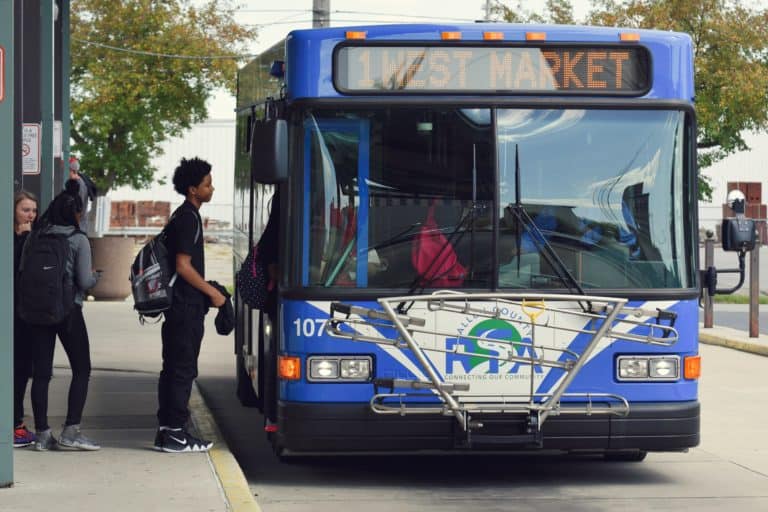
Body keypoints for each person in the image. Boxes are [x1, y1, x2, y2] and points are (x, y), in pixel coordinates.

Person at [154, 157, 225, 453]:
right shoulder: (188, 218)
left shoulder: (181, 216)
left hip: (178, 307)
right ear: (193, 189)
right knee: (182, 370)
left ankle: (167, 431)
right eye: (207, 184)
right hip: (185, 308)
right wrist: (213, 292)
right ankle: (175, 433)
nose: (212, 188)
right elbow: (183, 266)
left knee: (172, 369)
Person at [25, 180, 100, 451]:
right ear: (76, 214)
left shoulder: (36, 235)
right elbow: (84, 280)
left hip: (37, 311)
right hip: (68, 311)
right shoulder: (77, 239)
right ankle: (71, 430)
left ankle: (42, 434)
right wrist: (95, 278)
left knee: (42, 374)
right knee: (81, 368)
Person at [12, 190, 38, 447]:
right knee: (17, 370)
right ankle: (14, 425)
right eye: (25, 209)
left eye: (33, 210)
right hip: (12, 314)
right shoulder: (18, 240)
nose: (30, 215)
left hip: (24, 314)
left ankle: (16, 421)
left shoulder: (32, 238)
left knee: (22, 370)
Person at [68, 156, 96, 232]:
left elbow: (78, 209)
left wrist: (73, 227)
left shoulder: (79, 184)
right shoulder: (79, 182)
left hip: (78, 227)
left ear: (72, 170)